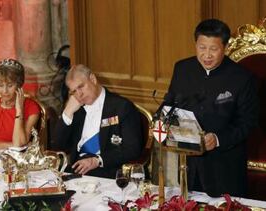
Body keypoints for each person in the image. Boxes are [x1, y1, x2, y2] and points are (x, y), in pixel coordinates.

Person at [166, 19, 259, 197]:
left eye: (213, 49)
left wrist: (217, 139)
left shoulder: (242, 78)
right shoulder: (182, 68)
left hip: (223, 169)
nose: (207, 55)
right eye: (202, 47)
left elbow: (248, 123)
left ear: (225, 47)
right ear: (196, 44)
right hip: (186, 165)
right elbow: (169, 105)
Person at [54, 64, 143, 179]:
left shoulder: (121, 107)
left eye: (81, 87)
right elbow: (58, 145)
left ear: (93, 79)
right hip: (76, 172)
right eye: (74, 91)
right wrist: (67, 112)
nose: (79, 94)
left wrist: (97, 160)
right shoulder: (76, 108)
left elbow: (133, 148)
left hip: (107, 173)